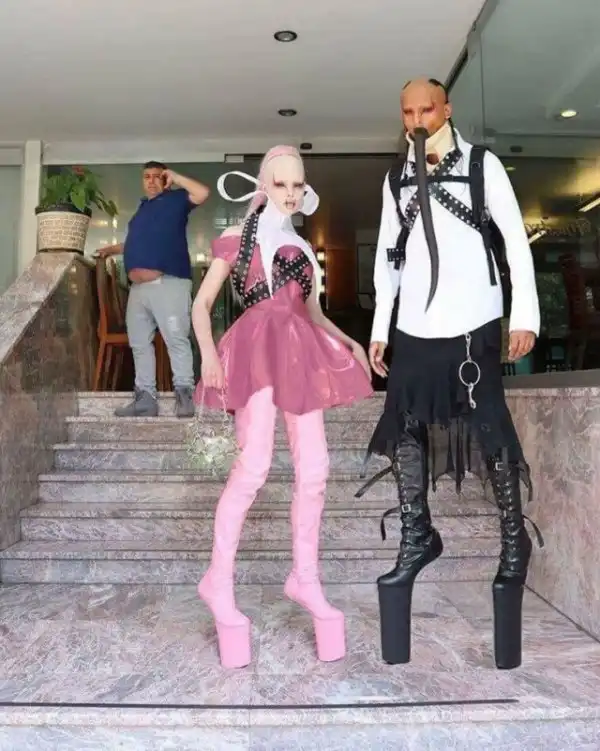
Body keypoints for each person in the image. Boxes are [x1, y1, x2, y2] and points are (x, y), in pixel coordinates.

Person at [358, 78, 543, 670]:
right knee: (404, 428)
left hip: (473, 319)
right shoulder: (395, 178)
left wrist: (525, 315)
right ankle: (418, 535)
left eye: (427, 109)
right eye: (408, 111)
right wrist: (381, 327)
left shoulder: (483, 164)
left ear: (447, 109)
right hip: (414, 323)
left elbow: (515, 241)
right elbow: (388, 257)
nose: (417, 120)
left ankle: (513, 543)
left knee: (490, 430)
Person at [191, 145, 373, 669]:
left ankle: (305, 578)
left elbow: (312, 313)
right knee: (254, 466)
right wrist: (208, 355)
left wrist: (349, 340)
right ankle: (218, 581)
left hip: (299, 355)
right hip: (256, 352)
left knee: (315, 468)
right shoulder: (239, 238)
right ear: (265, 185)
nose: (291, 193)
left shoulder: (302, 246)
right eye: (281, 183)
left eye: (298, 184)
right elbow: (202, 305)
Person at [97, 161, 210, 418]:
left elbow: (203, 193)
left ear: (165, 179)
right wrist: (111, 250)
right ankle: (145, 399)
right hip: (138, 290)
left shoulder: (176, 200)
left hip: (168, 283)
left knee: (176, 339)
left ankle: (185, 396)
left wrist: (176, 177)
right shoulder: (142, 210)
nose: (151, 181)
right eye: (146, 176)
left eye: (157, 176)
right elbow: (137, 241)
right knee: (139, 344)